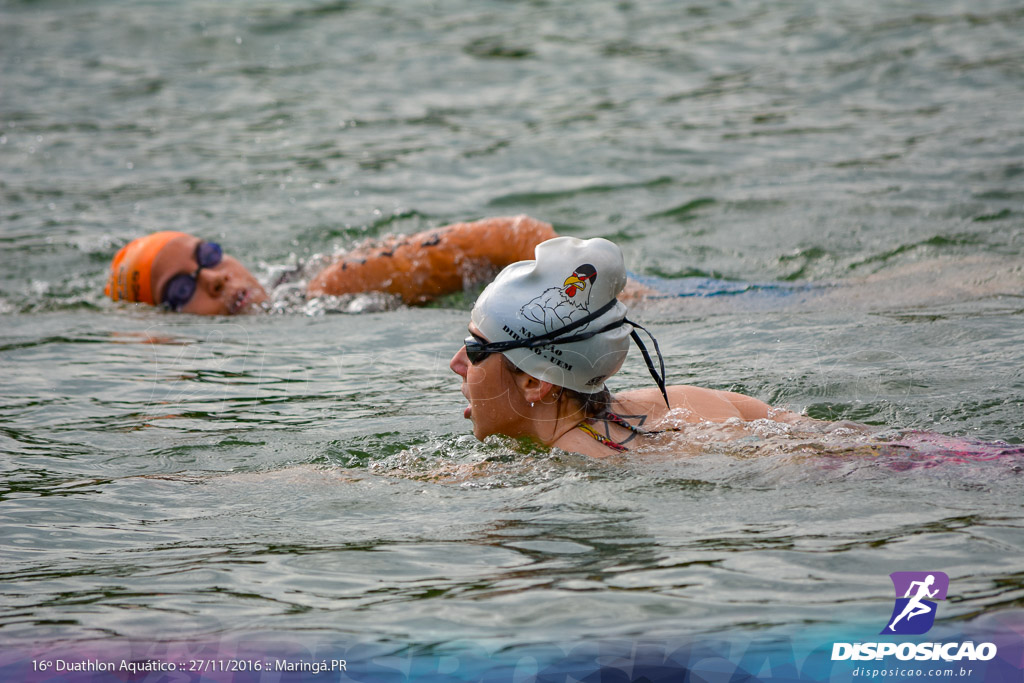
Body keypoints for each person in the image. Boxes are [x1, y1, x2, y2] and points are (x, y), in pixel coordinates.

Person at [449, 236, 798, 458]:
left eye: (476, 349)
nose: (457, 362)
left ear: (534, 382)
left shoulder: (549, 473)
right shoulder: (689, 400)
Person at [105, 216, 557, 315]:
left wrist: (598, 293)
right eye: (182, 291)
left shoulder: (332, 285)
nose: (215, 279)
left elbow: (512, 235)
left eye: (205, 256)